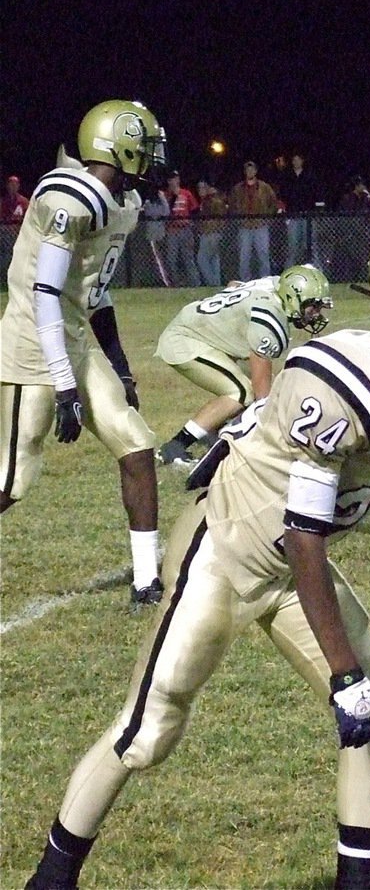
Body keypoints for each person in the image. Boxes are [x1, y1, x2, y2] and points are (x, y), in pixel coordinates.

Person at [23, 213, 370, 890]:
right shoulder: (344, 384)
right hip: (224, 552)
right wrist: (341, 673)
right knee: (147, 732)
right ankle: (51, 878)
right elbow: (305, 532)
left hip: (292, 571)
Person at [0, 99, 168, 611]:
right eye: (145, 144)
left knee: (135, 443)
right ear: (117, 145)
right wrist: (65, 383)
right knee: (13, 477)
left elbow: (97, 289)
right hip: (33, 341)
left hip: (70, 333)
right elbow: (46, 291)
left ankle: (147, 581)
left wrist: (118, 365)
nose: (153, 154)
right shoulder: (69, 196)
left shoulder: (122, 203)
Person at [155, 264, 333, 468]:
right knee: (240, 393)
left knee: (254, 391)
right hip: (186, 339)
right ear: (294, 297)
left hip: (195, 324)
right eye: (313, 307)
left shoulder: (275, 285)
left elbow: (234, 285)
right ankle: (174, 447)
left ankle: (216, 430)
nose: (316, 314)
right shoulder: (270, 317)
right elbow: (261, 394)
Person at [229, 160, 278, 280]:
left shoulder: (265, 187)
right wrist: (239, 220)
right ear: (244, 172)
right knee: (244, 258)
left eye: (252, 169)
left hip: (261, 226)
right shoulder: (237, 189)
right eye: (247, 169)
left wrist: (266, 219)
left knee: (263, 256)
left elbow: (273, 204)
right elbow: (232, 206)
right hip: (244, 227)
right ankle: (245, 283)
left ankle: (265, 282)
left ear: (256, 171)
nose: (249, 171)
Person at [278, 152, 322, 268]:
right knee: (292, 247)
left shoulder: (310, 176)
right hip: (293, 216)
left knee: (311, 246)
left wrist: (316, 210)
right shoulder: (286, 176)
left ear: (302, 161)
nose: (296, 162)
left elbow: (317, 195)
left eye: (298, 159)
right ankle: (289, 274)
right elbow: (282, 196)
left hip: (308, 216)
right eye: (294, 159)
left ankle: (317, 272)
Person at [163, 170, 201, 287]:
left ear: (178, 179)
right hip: (172, 230)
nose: (173, 181)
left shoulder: (186, 193)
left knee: (188, 258)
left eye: (175, 178)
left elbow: (195, 210)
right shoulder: (165, 195)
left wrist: (192, 224)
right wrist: (173, 196)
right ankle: (175, 284)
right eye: (170, 179)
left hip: (185, 229)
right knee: (171, 259)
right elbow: (166, 211)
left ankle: (195, 283)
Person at [194, 178, 228, 287]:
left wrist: (210, 228)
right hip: (212, 233)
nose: (200, 190)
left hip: (210, 233)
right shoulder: (208, 200)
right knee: (214, 259)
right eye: (199, 188)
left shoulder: (211, 200)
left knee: (201, 259)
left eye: (203, 187)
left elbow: (218, 218)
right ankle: (216, 284)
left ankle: (212, 283)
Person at [1, 174, 29, 290]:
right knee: (6, 256)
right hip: (6, 232)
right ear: (7, 186)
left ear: (18, 186)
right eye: (10, 184)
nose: (13, 187)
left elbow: (28, 218)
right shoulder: (3, 201)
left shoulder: (23, 201)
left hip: (19, 232)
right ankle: (4, 278)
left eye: (15, 184)